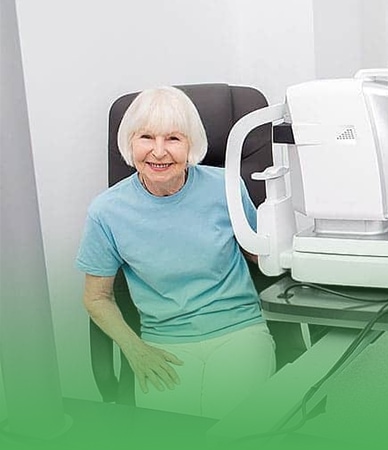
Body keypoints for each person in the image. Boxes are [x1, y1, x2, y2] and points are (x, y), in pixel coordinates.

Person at [76, 86, 276, 419]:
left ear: (192, 145)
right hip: (162, 343)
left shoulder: (225, 187)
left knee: (232, 425)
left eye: (173, 139)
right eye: (146, 138)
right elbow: (96, 297)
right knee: (173, 431)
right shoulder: (107, 211)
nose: (158, 152)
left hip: (238, 331)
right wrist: (136, 351)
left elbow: (260, 253)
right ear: (129, 143)